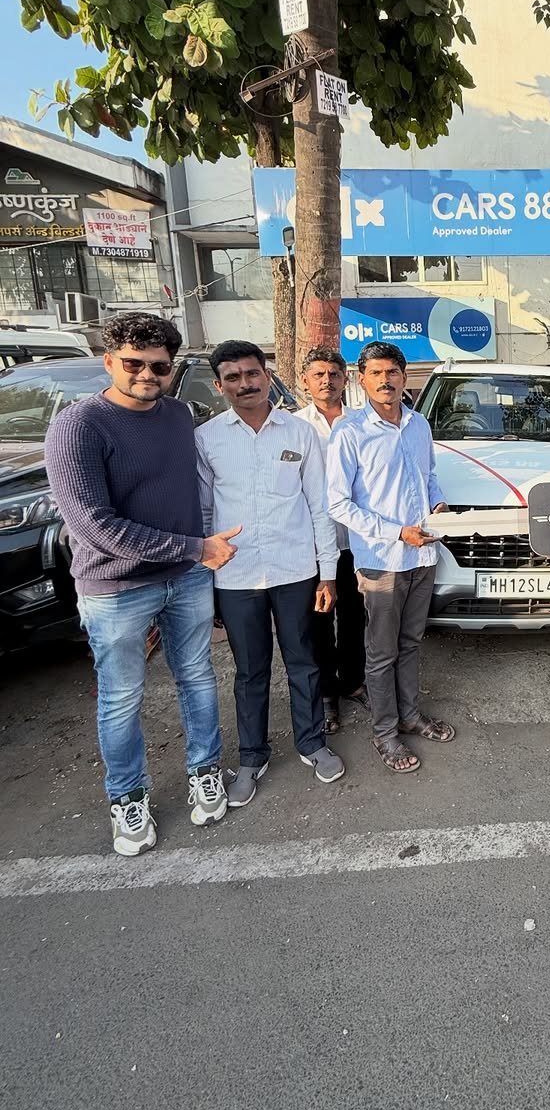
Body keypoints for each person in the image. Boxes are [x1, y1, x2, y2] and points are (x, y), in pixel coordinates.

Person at [44, 312, 238, 856]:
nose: (146, 374)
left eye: (158, 365)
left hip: (186, 580)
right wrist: (197, 549)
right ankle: (127, 797)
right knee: (121, 696)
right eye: (134, 363)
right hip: (117, 588)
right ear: (109, 362)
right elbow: (92, 525)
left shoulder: (178, 416)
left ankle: (204, 769)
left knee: (197, 678)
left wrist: (197, 553)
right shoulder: (79, 425)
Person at [196, 339, 344, 807]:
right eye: (234, 377)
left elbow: (320, 506)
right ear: (220, 385)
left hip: (295, 568)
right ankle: (251, 757)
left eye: (253, 374)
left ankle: (312, 743)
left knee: (304, 662)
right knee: (249, 671)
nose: (246, 384)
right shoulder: (206, 439)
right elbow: (202, 513)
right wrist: (206, 577)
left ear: (267, 375)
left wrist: (327, 573)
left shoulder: (298, 434)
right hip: (236, 576)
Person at [325, 341, 455, 773]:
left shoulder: (419, 425)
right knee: (380, 653)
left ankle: (410, 714)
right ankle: (385, 733)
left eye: (393, 372)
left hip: (423, 556)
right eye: (376, 373)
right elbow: (338, 505)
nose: (385, 380)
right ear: (360, 380)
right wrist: (397, 532)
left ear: (404, 377)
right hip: (382, 559)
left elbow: (430, 476)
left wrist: (438, 506)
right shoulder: (350, 431)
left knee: (411, 642)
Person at [295, 346, 367, 734]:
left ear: (346, 379)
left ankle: (354, 681)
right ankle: (326, 695)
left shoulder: (361, 423)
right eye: (318, 374)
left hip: (357, 542)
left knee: (355, 616)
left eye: (334, 374)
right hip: (311, 544)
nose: (327, 380)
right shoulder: (294, 426)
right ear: (305, 381)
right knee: (318, 620)